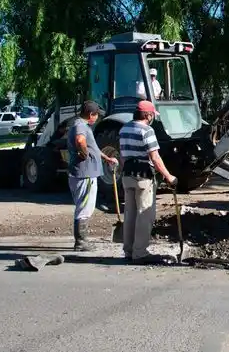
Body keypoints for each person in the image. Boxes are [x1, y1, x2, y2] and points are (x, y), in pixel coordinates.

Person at [119, 100, 177, 263]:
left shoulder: (124, 128)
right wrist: (169, 176)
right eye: (152, 115)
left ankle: (128, 251)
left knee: (130, 214)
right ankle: (140, 253)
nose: (152, 117)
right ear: (147, 115)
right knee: (145, 214)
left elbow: (123, 156)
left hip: (127, 175)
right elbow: (155, 157)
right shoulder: (147, 130)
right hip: (143, 176)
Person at [67, 100, 118, 251]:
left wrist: (107, 159)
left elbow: (93, 148)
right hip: (85, 175)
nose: (97, 118)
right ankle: (81, 242)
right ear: (91, 114)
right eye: (97, 115)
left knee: (85, 206)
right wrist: (84, 155)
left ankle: (82, 241)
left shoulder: (81, 125)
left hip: (84, 174)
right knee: (84, 207)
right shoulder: (80, 125)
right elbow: (80, 141)